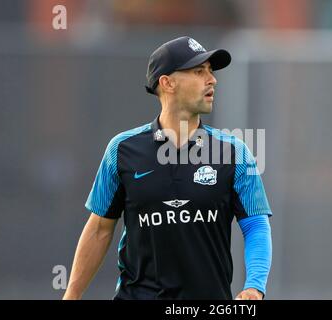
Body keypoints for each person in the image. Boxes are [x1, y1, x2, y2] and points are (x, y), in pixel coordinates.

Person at [63, 36, 272, 300]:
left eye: (211, 71)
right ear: (167, 82)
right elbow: (99, 228)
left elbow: (255, 225)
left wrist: (255, 285)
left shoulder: (235, 152)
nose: (212, 80)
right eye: (199, 71)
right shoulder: (122, 150)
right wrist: (71, 296)